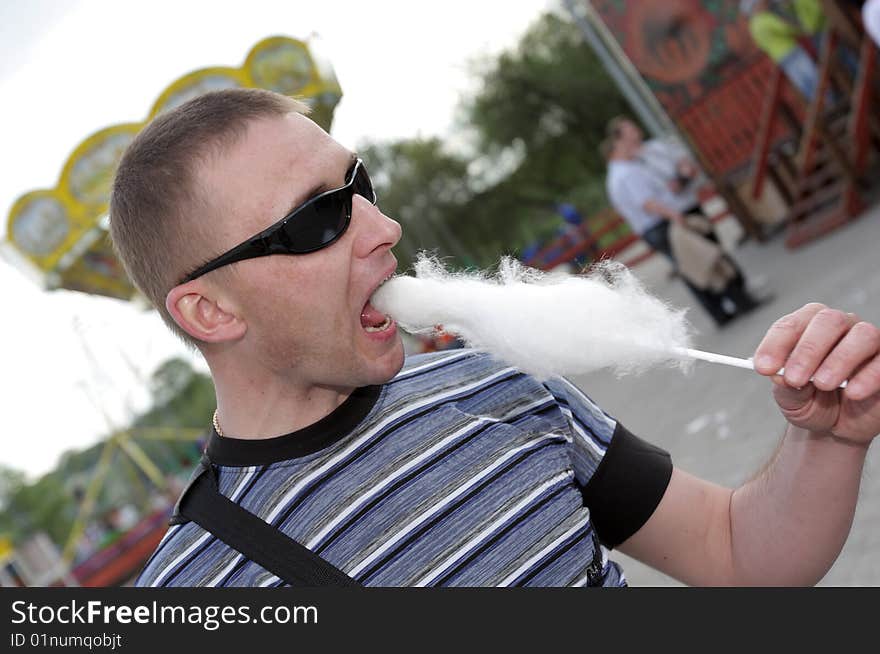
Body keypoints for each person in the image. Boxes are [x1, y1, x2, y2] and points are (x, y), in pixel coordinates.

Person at [111, 88, 880, 587]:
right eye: (319, 218)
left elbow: (736, 554)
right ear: (209, 311)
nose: (384, 228)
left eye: (362, 187)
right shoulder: (197, 588)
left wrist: (827, 441)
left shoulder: (493, 385)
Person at [603, 118, 762, 327]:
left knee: (695, 263)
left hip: (665, 220)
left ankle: (722, 311)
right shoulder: (625, 173)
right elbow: (647, 202)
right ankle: (737, 301)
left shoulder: (628, 167)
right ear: (617, 144)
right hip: (663, 222)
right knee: (704, 259)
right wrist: (674, 215)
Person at [741, 0, 827, 102]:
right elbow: (783, 27)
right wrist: (801, 30)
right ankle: (827, 98)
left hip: (780, 58)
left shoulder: (752, 28)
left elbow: (761, 46)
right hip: (791, 51)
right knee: (812, 75)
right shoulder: (763, 18)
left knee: (802, 81)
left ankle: (818, 103)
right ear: (754, 7)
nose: (763, 4)